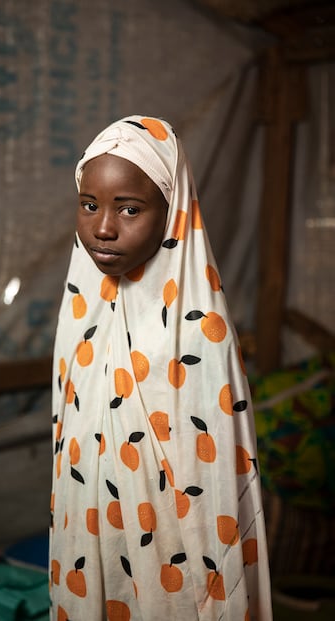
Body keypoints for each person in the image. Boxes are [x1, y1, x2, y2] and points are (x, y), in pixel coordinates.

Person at [49, 115, 272, 620]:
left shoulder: (198, 330)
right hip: (89, 541)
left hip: (172, 561)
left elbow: (211, 491)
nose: (103, 227)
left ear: (172, 213)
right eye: (89, 205)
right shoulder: (82, 310)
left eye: (129, 209)